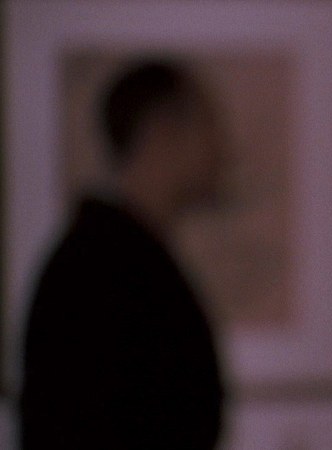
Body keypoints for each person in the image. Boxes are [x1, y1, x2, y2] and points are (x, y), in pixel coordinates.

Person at [19, 60, 227, 449]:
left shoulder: (124, 260)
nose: (220, 147)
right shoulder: (95, 271)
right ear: (163, 130)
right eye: (208, 125)